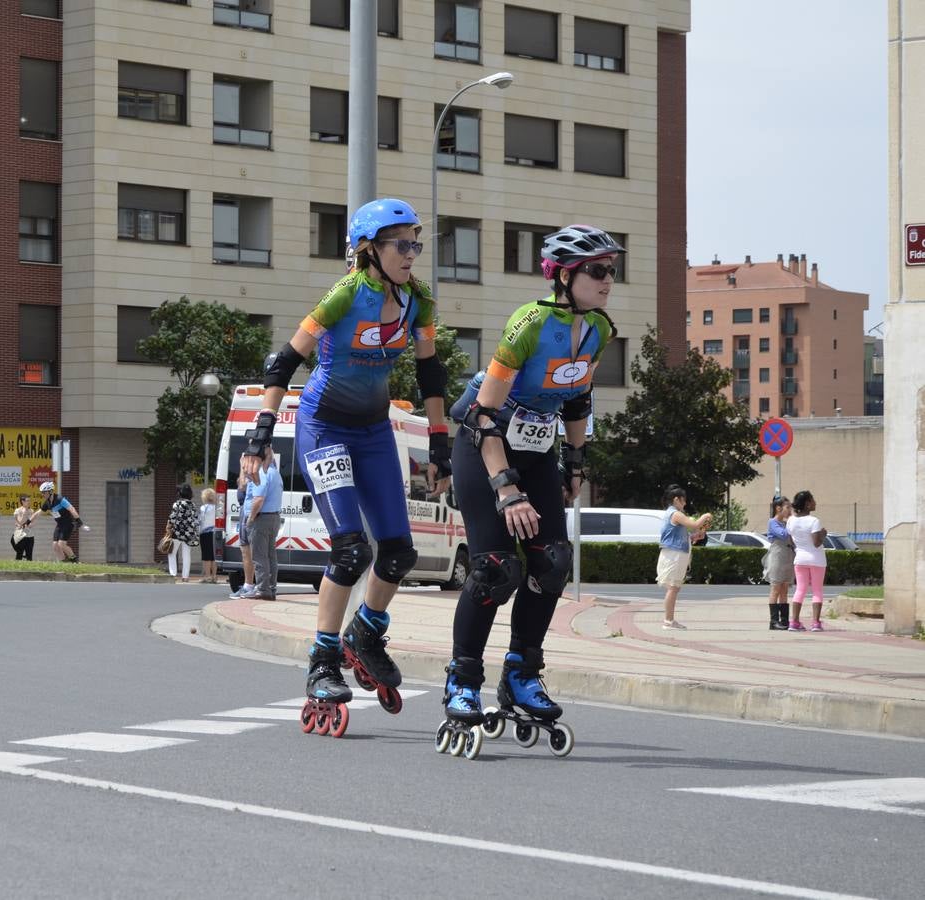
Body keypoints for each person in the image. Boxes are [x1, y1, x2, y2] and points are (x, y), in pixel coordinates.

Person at [241, 198, 450, 722]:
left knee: (400, 554)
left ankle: (367, 632)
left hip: (375, 430)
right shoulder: (345, 295)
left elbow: (430, 375)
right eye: (400, 244)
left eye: (415, 244)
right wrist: (261, 432)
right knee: (352, 549)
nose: (411, 254)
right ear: (367, 249)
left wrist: (440, 442)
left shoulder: (417, 303)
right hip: (325, 426)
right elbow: (282, 361)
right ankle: (323, 658)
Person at [441, 224, 620, 736]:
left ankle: (521, 673)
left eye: (612, 270)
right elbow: (482, 416)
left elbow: (578, 399)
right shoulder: (529, 323)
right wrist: (506, 488)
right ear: (563, 276)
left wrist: (576, 461)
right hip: (486, 443)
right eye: (598, 270)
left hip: (539, 443)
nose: (608, 279)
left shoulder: (601, 329)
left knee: (552, 560)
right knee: (495, 569)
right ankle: (462, 679)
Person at [656, 485, 712, 629]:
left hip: (674, 554)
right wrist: (705, 516)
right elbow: (694, 524)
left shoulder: (672, 514)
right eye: (683, 500)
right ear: (676, 500)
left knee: (674, 588)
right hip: (674, 555)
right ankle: (668, 621)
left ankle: (669, 620)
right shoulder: (675, 514)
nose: (685, 503)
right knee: (673, 588)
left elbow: (683, 534)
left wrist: (694, 536)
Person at [241, 444, 283, 600]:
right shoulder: (275, 473)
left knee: (259, 556)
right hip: (274, 517)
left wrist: (251, 518)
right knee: (271, 555)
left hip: (261, 518)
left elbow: (258, 498)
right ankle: (271, 587)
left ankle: (262, 589)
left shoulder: (262, 473)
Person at [787, 489, 828, 632]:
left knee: (800, 589)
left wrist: (800, 548)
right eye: (812, 500)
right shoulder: (814, 521)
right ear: (807, 504)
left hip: (800, 559)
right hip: (816, 559)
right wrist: (823, 534)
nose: (815, 502)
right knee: (817, 590)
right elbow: (816, 543)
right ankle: (816, 623)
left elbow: (791, 540)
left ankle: (794, 622)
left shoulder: (791, 520)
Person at [764, 496, 794, 630]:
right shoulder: (772, 522)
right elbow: (783, 535)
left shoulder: (787, 523)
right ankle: (773, 621)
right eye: (788, 507)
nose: (790, 510)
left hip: (788, 556)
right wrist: (793, 524)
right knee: (776, 588)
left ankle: (784, 620)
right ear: (778, 508)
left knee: (785, 589)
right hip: (777, 556)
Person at [39, 480, 89, 562]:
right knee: (55, 545)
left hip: (68, 523)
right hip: (59, 525)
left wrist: (80, 522)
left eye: (44, 492)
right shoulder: (47, 502)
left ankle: (75, 561)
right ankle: (63, 562)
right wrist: (28, 522)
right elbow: (38, 513)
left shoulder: (60, 499)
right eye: (42, 493)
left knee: (61, 544)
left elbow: (71, 508)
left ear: (51, 491)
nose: (43, 494)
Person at [229, 463, 256, 598]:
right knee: (246, 550)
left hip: (248, 512)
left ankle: (250, 585)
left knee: (248, 550)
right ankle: (249, 584)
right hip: (245, 510)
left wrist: (241, 467)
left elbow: (242, 485)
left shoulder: (255, 468)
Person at [166, 484, 199, 584]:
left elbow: (172, 517)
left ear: (180, 493)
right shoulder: (193, 505)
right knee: (186, 555)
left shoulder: (177, 504)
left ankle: (173, 575)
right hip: (189, 533)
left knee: (172, 553)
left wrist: (168, 526)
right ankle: (185, 577)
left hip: (177, 532)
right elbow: (196, 519)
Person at [198, 487, 218, 583]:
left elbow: (200, 521)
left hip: (205, 533)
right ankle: (214, 576)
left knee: (206, 556)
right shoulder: (217, 508)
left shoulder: (203, 508)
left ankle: (207, 576)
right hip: (215, 532)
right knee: (214, 556)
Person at [10, 496, 36, 561]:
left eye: (29, 501)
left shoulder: (31, 511)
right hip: (20, 535)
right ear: (22, 501)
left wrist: (30, 524)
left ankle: (29, 568)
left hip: (29, 535)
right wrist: (24, 514)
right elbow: (19, 522)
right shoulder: (18, 510)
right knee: (19, 553)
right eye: (27, 501)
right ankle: (18, 567)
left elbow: (33, 523)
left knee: (29, 555)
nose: (29, 502)